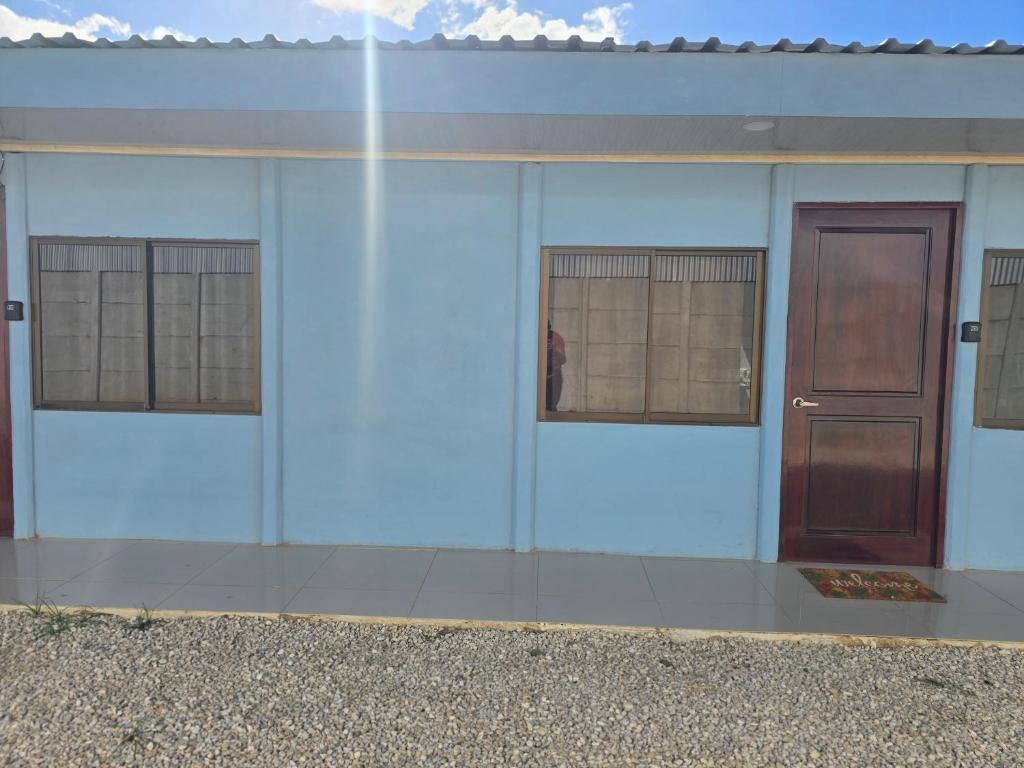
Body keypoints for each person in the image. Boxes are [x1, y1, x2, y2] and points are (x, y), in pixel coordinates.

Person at [546, 320, 566, 411]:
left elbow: (563, 359)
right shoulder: (534, 336)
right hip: (537, 377)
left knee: (551, 406)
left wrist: (554, 351)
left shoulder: (556, 338)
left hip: (553, 377)